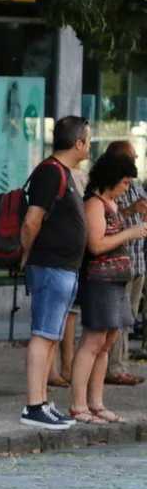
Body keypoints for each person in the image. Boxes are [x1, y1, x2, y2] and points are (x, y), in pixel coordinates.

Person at [19, 116, 93, 430]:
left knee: (51, 337)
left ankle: (43, 401)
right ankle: (34, 405)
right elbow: (31, 221)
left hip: (63, 268)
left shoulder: (62, 172)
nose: (90, 145)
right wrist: (26, 254)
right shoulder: (50, 172)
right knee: (43, 335)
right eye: (88, 139)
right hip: (50, 266)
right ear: (78, 143)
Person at [68, 152, 147, 424]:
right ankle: (78, 404)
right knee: (92, 342)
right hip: (100, 281)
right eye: (124, 182)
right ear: (111, 179)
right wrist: (129, 233)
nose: (127, 188)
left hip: (116, 280)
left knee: (106, 343)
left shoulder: (112, 205)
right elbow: (96, 244)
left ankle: (96, 402)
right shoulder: (94, 204)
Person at [105, 141, 147, 385]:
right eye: (131, 156)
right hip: (122, 260)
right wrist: (130, 210)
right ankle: (114, 368)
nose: (135, 160)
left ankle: (122, 364)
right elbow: (107, 221)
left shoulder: (135, 185)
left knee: (129, 317)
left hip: (138, 260)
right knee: (118, 318)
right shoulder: (108, 187)